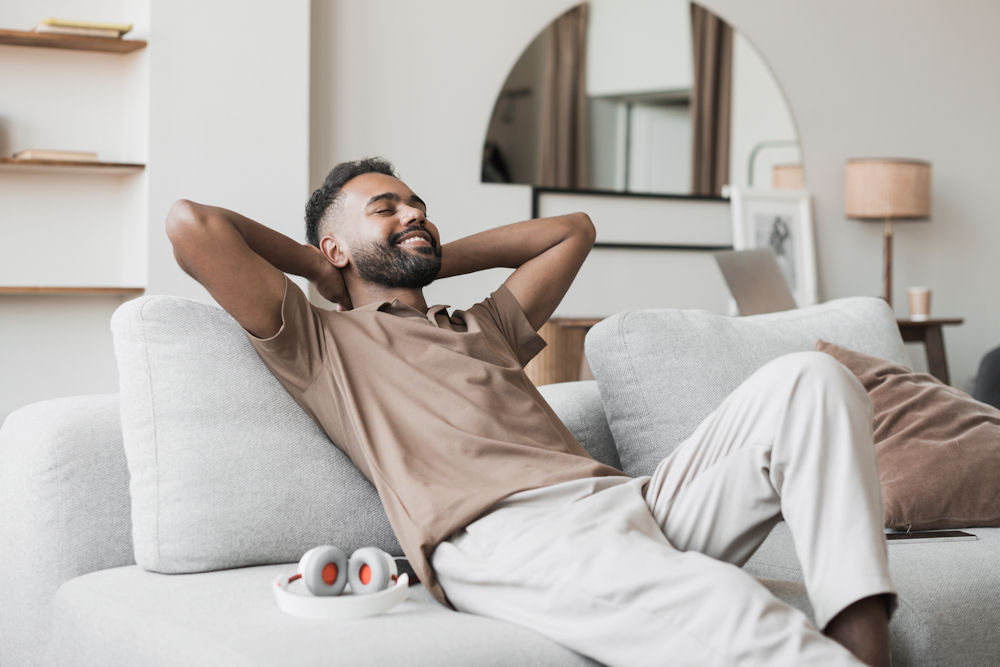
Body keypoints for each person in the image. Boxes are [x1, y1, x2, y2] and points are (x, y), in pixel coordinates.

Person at [166, 157, 896, 666]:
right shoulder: (323, 342)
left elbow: (573, 229)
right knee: (725, 606)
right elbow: (191, 224)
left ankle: (867, 651)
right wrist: (320, 266)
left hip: (628, 502)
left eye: (417, 203)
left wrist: (423, 251)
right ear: (334, 245)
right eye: (385, 207)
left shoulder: (481, 327)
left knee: (813, 382)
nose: (413, 211)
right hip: (506, 532)